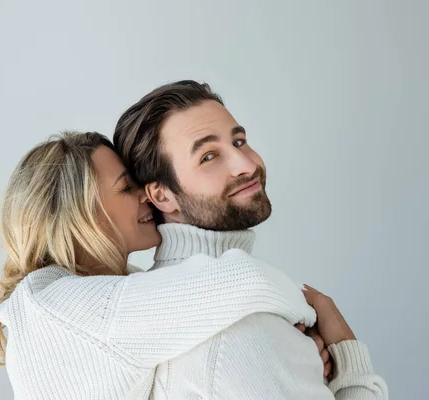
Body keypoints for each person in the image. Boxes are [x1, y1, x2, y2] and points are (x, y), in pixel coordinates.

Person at [0, 131, 318, 399]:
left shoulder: (81, 305)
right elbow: (241, 281)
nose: (146, 195)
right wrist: (314, 313)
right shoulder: (67, 310)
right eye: (126, 187)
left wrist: (294, 352)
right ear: (79, 214)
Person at [113, 80, 388, 399]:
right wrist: (349, 360)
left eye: (239, 141)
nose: (247, 165)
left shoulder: (180, 304)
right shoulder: (241, 331)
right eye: (208, 156)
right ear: (161, 195)